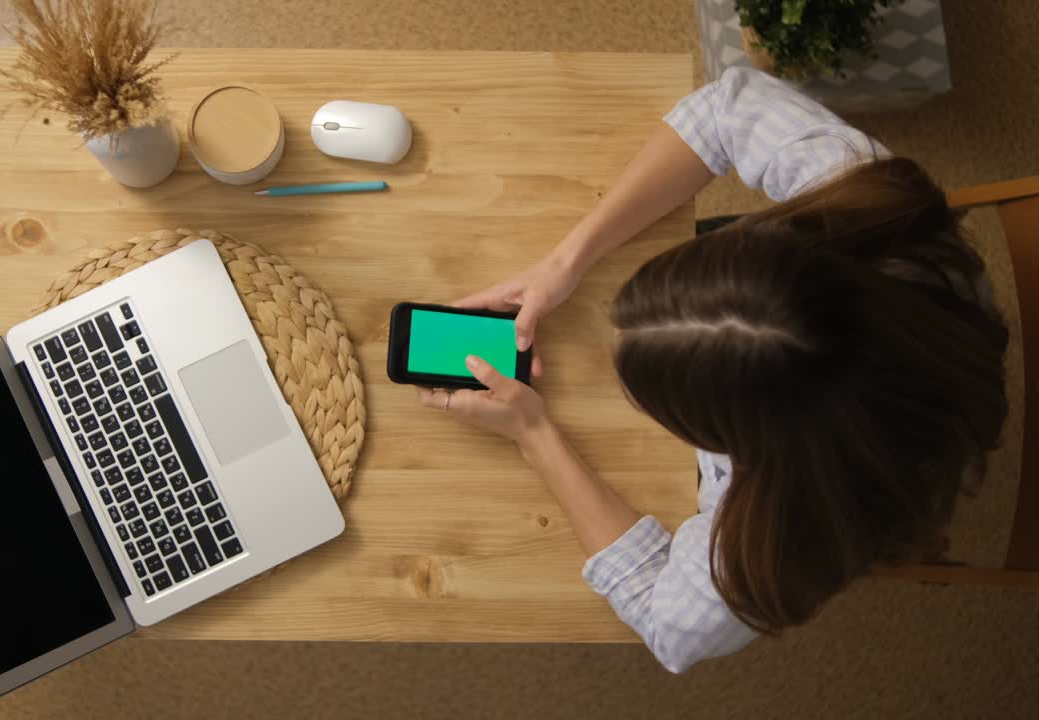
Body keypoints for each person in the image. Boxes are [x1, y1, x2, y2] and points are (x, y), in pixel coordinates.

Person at [415, 67, 1008, 673]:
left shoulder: (776, 536)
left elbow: (665, 623)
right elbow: (726, 109)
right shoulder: (865, 212)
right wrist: (567, 259)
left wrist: (535, 436)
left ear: (734, 445)